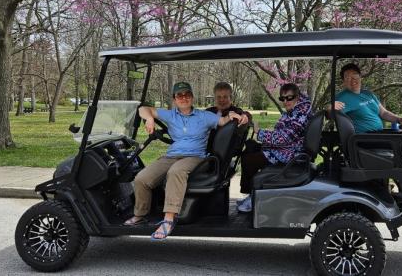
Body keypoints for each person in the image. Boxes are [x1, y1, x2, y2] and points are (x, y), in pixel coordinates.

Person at [124, 81, 247, 240]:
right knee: (142, 178)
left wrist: (233, 115)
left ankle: (169, 219)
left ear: (192, 98)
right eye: (179, 95)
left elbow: (223, 121)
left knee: (176, 172)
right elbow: (142, 109)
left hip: (195, 156)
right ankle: (140, 214)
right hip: (172, 155)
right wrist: (149, 119)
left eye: (187, 94)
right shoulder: (170, 115)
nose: (184, 98)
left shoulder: (204, 116)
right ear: (175, 99)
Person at [237, 83, 315, 213]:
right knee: (250, 148)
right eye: (282, 98)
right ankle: (250, 194)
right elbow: (283, 134)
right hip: (287, 148)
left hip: (291, 154)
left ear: (297, 97)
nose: (285, 101)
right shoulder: (296, 111)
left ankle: (253, 198)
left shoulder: (300, 115)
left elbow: (284, 139)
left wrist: (259, 132)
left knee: (249, 160)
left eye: (289, 98)